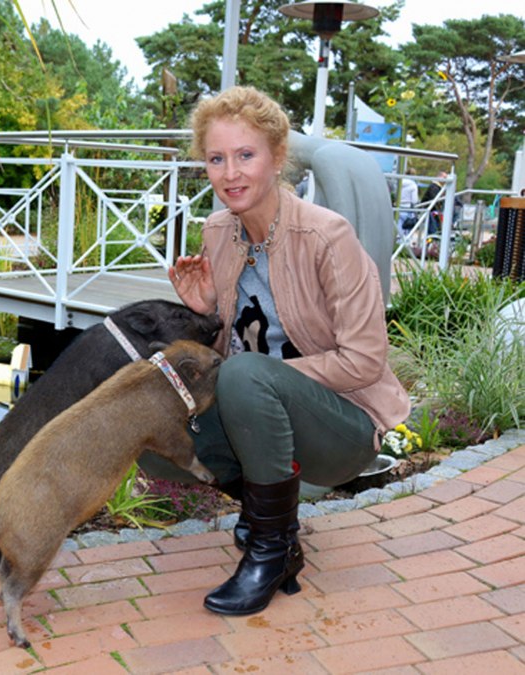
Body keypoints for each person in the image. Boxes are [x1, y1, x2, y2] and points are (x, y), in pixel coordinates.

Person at [161, 86, 409, 617]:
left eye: (246, 155)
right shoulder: (218, 232)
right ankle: (267, 514)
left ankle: (271, 552)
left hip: (343, 426)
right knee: (148, 415)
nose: (231, 173)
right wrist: (206, 311)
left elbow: (364, 360)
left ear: (277, 157)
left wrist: (267, 375)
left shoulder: (327, 237)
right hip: (263, 411)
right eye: (217, 159)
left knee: (248, 375)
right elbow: (233, 342)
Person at [398, 168, 419, 233]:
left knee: (399, 225)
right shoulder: (413, 185)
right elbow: (414, 200)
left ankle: (398, 240)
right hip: (407, 207)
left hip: (399, 206)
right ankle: (406, 240)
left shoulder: (399, 183)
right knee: (408, 225)